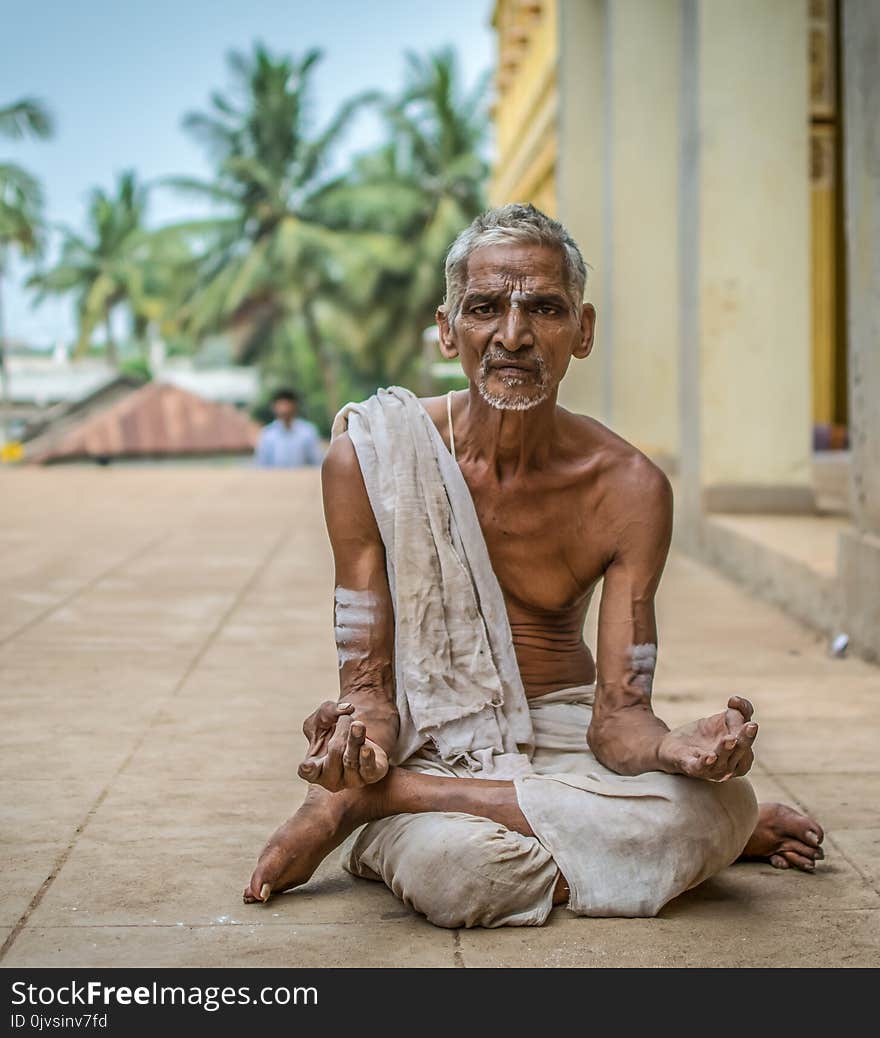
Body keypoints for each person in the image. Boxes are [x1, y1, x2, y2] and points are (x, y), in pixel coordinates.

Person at [244, 204, 824, 927]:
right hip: (434, 744)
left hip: (564, 733)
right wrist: (356, 745)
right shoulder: (370, 456)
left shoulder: (628, 487)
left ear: (581, 331)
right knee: (461, 876)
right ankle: (631, 847)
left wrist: (674, 750)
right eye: (485, 308)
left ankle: (386, 803)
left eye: (544, 309)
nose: (513, 336)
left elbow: (618, 722)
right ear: (447, 328)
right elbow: (370, 692)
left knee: (719, 804)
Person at [254, 389, 322, 467]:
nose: (284, 408)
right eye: (281, 403)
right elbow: (261, 466)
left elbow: (317, 463)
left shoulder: (308, 432)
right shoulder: (267, 434)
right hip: (274, 478)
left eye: (287, 403)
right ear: (274, 407)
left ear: (295, 405)